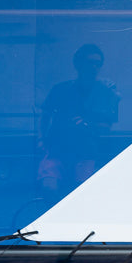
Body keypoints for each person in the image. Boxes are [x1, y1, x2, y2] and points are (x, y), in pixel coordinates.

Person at [38, 44, 121, 193]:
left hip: (85, 149)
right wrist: (41, 139)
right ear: (78, 64)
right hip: (57, 146)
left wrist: (88, 125)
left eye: (98, 63)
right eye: (90, 62)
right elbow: (45, 116)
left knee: (81, 191)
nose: (94, 67)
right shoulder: (60, 89)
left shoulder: (105, 92)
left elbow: (107, 125)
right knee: (49, 188)